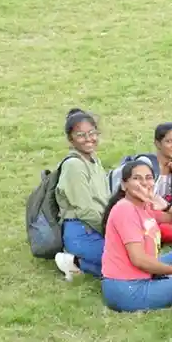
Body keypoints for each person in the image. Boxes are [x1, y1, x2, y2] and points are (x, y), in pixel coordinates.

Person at [100, 161, 172, 312]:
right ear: (124, 185)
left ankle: (169, 281)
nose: (144, 183)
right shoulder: (125, 209)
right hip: (128, 289)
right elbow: (139, 260)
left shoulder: (146, 206)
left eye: (148, 177)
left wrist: (166, 206)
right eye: (137, 178)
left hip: (145, 274)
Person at [54, 109, 110, 280]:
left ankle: (78, 264)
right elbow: (85, 210)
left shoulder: (94, 160)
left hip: (98, 226)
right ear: (70, 139)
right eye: (81, 135)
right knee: (126, 264)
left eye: (92, 133)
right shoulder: (74, 166)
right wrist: (111, 231)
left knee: (136, 258)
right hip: (82, 231)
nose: (88, 139)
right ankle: (75, 261)